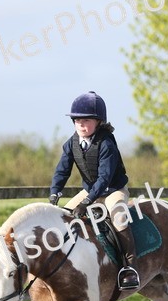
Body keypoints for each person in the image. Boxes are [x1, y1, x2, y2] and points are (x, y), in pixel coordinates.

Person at [49, 91, 140, 290]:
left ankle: (129, 267)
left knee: (119, 218)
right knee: (64, 217)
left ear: (99, 122)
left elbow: (104, 177)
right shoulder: (71, 143)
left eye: (86, 120)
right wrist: (55, 192)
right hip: (90, 190)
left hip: (113, 190)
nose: (81, 124)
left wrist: (87, 201)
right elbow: (62, 170)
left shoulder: (107, 143)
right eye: (77, 120)